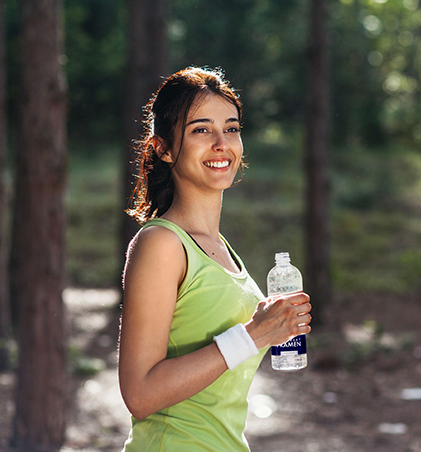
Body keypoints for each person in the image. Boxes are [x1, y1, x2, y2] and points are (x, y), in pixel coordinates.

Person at [118, 66, 312, 452]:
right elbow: (139, 395)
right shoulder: (161, 244)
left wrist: (275, 329)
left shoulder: (219, 246)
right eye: (201, 129)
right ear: (164, 148)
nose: (222, 143)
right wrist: (254, 334)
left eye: (233, 128)